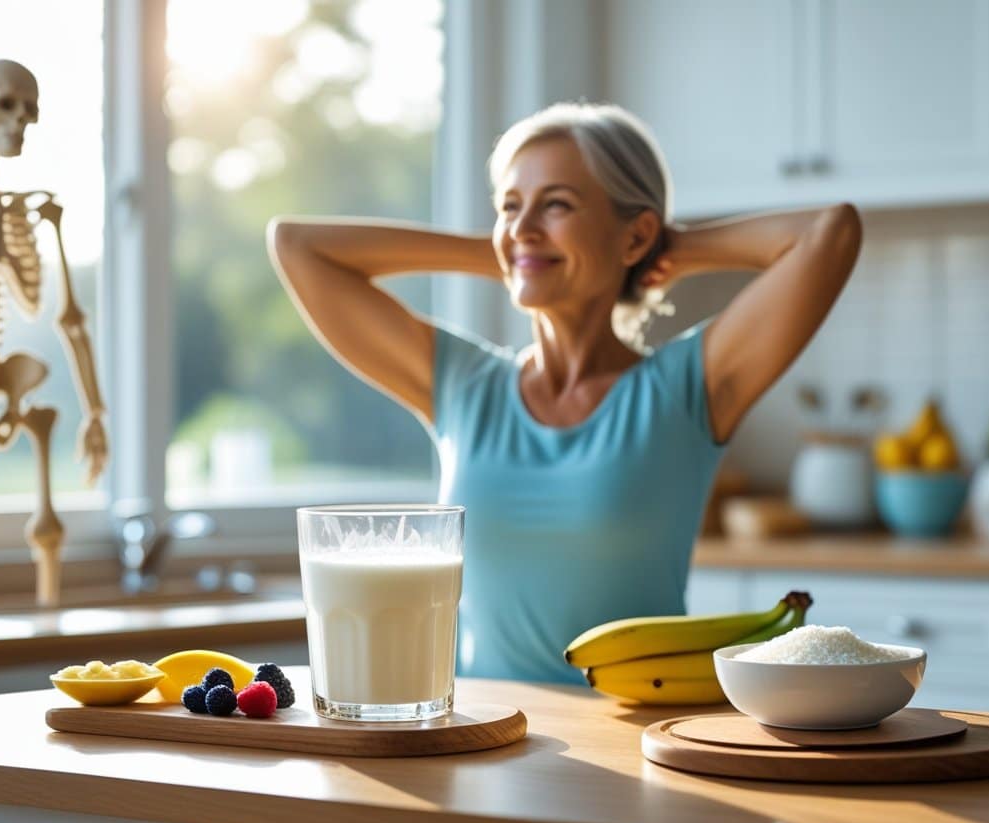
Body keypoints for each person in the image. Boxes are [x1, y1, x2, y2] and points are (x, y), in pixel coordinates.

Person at [267, 102, 861, 684]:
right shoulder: (461, 384)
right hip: (482, 741)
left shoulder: (688, 387)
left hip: (633, 742)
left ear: (635, 236)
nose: (523, 225)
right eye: (509, 206)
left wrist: (668, 250)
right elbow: (296, 245)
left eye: (556, 205)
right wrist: (506, 253)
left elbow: (829, 232)